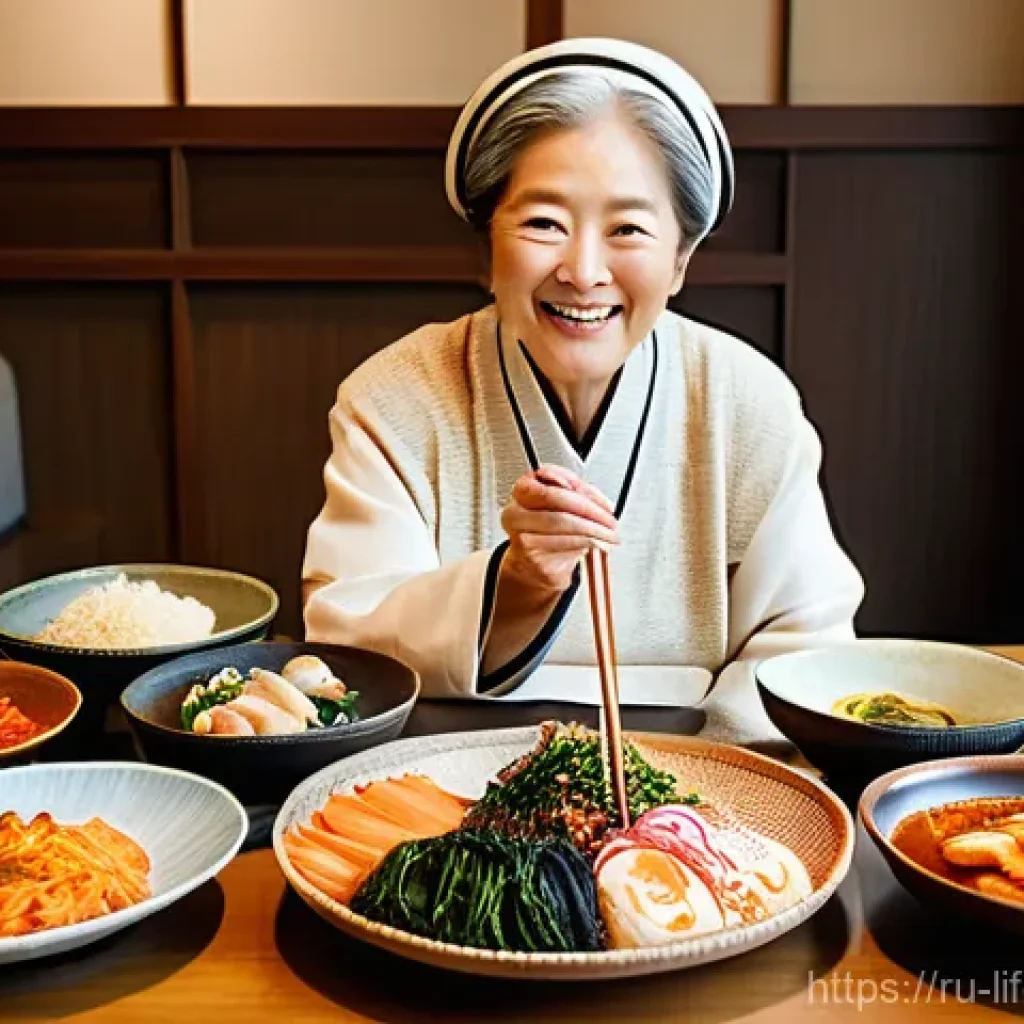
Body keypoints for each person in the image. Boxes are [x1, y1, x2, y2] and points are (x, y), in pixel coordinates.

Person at [301, 38, 864, 750]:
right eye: (544, 224)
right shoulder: (395, 397)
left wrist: (693, 808)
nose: (584, 271)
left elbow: (803, 648)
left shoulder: (749, 403)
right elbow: (347, 645)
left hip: (700, 795)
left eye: (628, 228)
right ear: (488, 249)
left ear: (681, 260)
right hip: (440, 786)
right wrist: (514, 586)